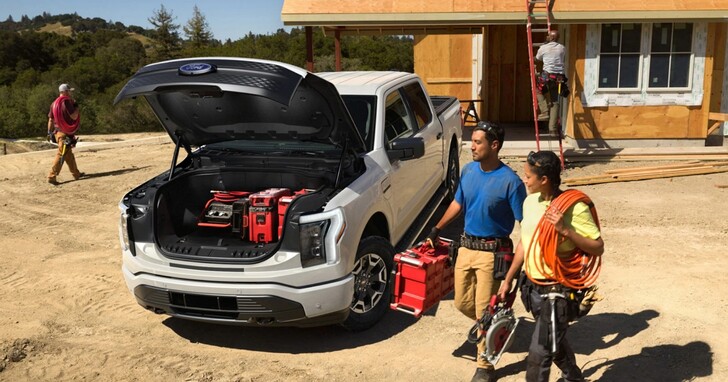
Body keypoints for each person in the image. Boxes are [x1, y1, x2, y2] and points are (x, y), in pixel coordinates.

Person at [427, 121, 527, 382]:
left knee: (484, 309)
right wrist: (436, 228)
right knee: (461, 302)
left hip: (493, 254)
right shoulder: (469, 171)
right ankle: (496, 324)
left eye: (478, 142)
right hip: (466, 249)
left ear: (494, 146)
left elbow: (525, 225)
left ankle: (485, 365)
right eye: (472, 141)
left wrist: (519, 265)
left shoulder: (511, 182)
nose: (471, 146)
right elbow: (458, 204)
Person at [497, 151, 604, 382]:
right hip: (532, 287)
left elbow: (597, 247)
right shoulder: (529, 202)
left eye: (528, 176)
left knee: (539, 353)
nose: (524, 180)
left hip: (557, 290)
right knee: (552, 340)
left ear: (543, 179)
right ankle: (574, 377)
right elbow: (526, 243)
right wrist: (508, 280)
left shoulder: (572, 208)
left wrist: (566, 230)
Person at [47, 83, 83, 185]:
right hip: (65, 133)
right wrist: (76, 107)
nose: (70, 93)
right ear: (65, 91)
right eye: (69, 91)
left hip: (58, 132)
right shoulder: (67, 103)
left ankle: (76, 174)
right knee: (61, 153)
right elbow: (74, 117)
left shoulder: (54, 104)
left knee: (68, 154)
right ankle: (52, 176)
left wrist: (49, 133)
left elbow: (50, 120)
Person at [535, 30, 566, 135]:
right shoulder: (562, 48)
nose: (547, 36)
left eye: (549, 36)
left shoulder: (543, 48)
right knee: (555, 101)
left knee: (538, 91)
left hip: (547, 75)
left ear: (552, 38)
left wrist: (544, 45)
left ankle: (544, 112)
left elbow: (538, 58)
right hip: (559, 78)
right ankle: (552, 129)